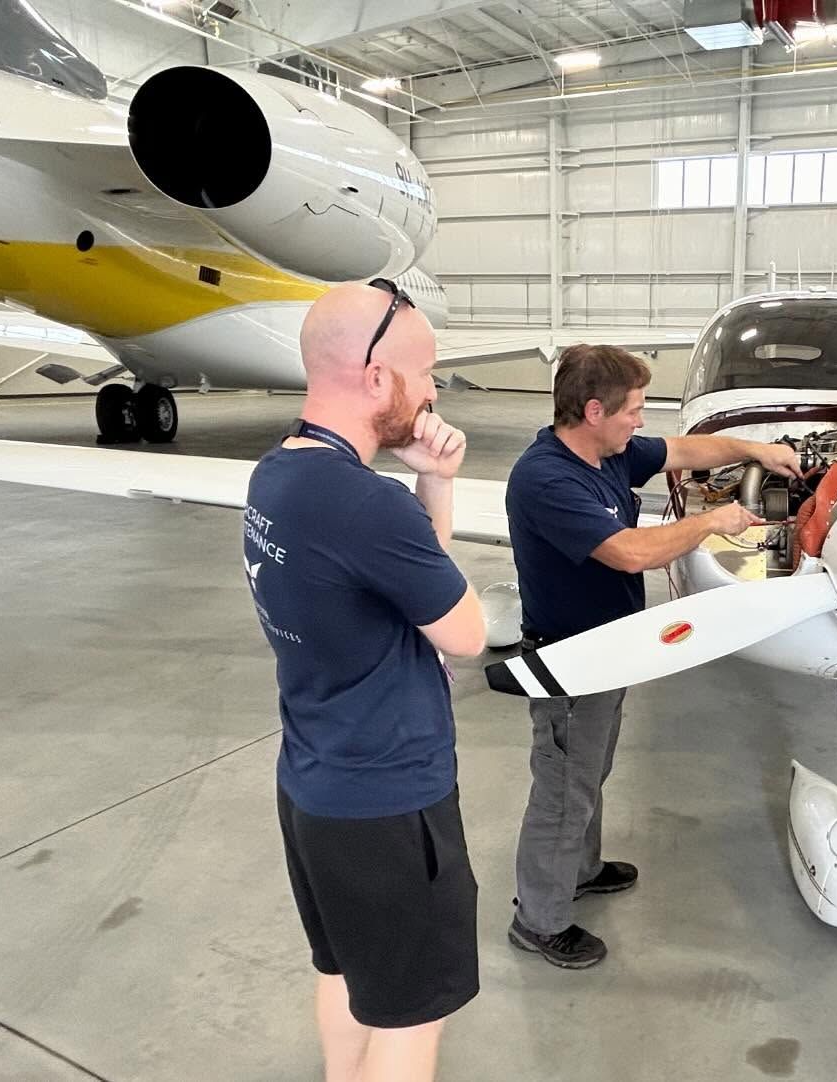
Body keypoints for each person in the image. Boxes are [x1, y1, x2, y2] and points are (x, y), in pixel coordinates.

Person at [243, 280, 487, 1082]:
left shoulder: (277, 476)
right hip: (389, 804)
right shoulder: (363, 505)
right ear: (379, 379)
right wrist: (420, 493)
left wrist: (434, 480)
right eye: (428, 375)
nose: (433, 394)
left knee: (344, 974)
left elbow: (405, 583)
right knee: (414, 1019)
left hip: (313, 789)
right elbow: (463, 630)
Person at [503, 343, 801, 969]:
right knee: (563, 789)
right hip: (570, 660)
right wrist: (711, 521)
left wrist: (756, 450)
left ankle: (579, 871)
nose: (641, 421)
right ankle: (540, 920)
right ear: (591, 411)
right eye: (633, 410)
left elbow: (689, 450)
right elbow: (630, 553)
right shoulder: (547, 477)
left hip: (611, 652)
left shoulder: (609, 450)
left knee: (587, 774)